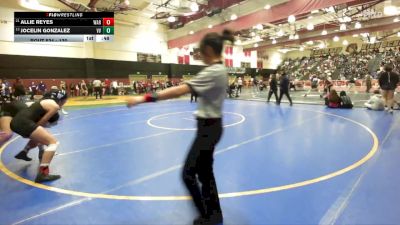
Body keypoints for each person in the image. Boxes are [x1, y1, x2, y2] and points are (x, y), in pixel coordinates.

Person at [126, 29, 234, 225]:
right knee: (204, 172)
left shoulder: (213, 71)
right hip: (211, 127)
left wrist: (144, 98)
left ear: (208, 49)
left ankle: (206, 215)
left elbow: (179, 91)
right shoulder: (220, 69)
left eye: (201, 51)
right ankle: (214, 213)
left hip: (208, 129)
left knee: (188, 174)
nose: (199, 55)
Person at [10, 90, 67, 183]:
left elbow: (37, 127)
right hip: (24, 123)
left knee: (40, 136)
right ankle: (43, 174)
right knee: (53, 143)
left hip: (15, 122)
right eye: (64, 102)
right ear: (61, 100)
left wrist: (35, 135)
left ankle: (25, 152)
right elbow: (42, 122)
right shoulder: (54, 106)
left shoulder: (43, 101)